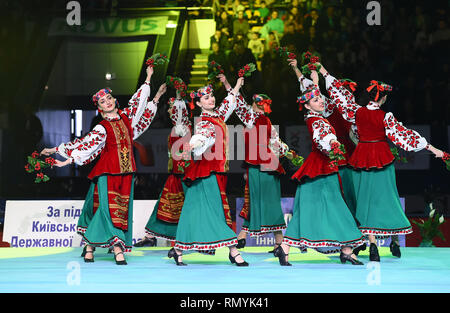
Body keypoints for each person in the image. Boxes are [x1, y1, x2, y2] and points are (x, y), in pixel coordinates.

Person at [318, 63, 446, 261]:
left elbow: (339, 94)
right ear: (383, 98)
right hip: (381, 158)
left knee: (365, 202)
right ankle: (393, 240)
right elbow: (406, 137)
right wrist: (434, 150)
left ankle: (372, 245)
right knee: (387, 199)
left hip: (361, 158)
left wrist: (323, 71)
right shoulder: (385, 116)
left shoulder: (356, 112)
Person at [40, 66, 166, 265]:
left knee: (120, 211)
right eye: (102, 102)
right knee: (108, 211)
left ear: (114, 100)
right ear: (99, 108)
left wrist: (150, 82)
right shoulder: (102, 127)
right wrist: (57, 150)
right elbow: (84, 144)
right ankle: (117, 248)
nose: (106, 102)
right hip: (107, 173)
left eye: (108, 98)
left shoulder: (127, 119)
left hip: (126, 174)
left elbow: (139, 105)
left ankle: (90, 246)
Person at [275, 73, 365, 266]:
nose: (321, 102)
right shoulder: (316, 121)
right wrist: (332, 144)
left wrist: (315, 82)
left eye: (320, 98)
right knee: (328, 209)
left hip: (322, 168)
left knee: (322, 209)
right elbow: (321, 137)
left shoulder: (317, 117)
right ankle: (346, 250)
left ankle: (346, 250)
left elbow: (322, 130)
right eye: (316, 100)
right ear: (307, 106)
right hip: (320, 168)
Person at [169, 75, 249, 266]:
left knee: (193, 210)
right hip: (208, 172)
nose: (211, 99)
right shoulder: (205, 121)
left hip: (215, 171)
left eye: (212, 95)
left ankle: (178, 249)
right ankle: (233, 251)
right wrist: (190, 145)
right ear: (198, 103)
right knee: (219, 210)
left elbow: (229, 102)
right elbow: (202, 136)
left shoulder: (217, 116)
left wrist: (237, 84)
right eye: (206, 98)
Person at [233, 91, 294, 252]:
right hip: (257, 165)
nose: (261, 107)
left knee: (267, 201)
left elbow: (275, 141)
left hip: (266, 165)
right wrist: (231, 85)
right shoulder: (250, 117)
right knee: (258, 201)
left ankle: (249, 236)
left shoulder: (264, 120)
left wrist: (287, 151)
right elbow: (237, 102)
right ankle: (273, 240)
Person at [138, 93, 192, 246]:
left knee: (187, 208)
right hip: (176, 174)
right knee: (164, 206)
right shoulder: (177, 127)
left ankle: (192, 241)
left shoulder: (183, 127)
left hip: (185, 176)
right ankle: (150, 236)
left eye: (171, 108)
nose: (168, 111)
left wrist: (178, 96)